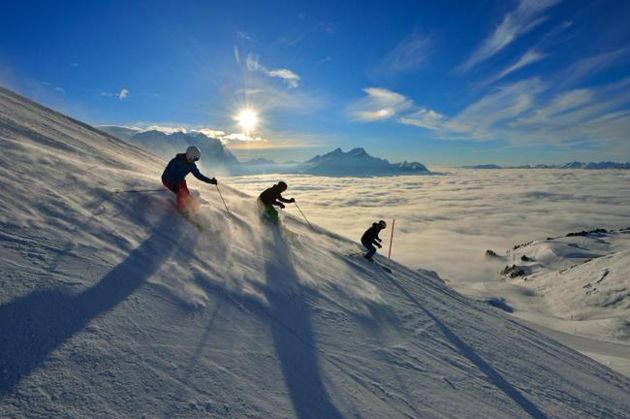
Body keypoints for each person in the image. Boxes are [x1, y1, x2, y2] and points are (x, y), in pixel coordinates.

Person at [161, 146, 217, 214]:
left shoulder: (191, 165)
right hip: (168, 180)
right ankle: (182, 209)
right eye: (194, 159)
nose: (194, 161)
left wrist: (210, 181)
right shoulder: (175, 161)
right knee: (181, 193)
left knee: (186, 194)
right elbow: (167, 175)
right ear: (190, 156)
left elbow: (198, 175)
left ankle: (194, 208)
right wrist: (173, 186)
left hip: (179, 180)